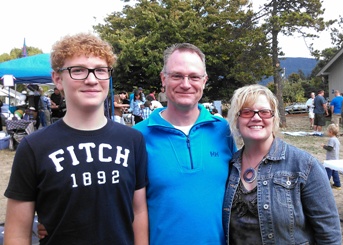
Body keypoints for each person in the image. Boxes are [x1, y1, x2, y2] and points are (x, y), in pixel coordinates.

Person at [4, 33, 149, 245]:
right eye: (78, 70)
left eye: (100, 70)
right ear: (57, 79)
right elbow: (17, 233)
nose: (91, 79)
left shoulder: (132, 140)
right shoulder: (34, 147)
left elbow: (138, 211)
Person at [133, 43, 237, 245]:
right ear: (164, 79)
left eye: (194, 77)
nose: (186, 84)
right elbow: (129, 207)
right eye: (177, 76)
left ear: (204, 81)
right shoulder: (136, 137)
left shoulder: (224, 130)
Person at [223, 84, 341, 244]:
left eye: (264, 112)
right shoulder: (228, 167)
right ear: (237, 120)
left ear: (274, 118)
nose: (256, 117)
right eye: (247, 111)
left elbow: (329, 235)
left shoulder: (305, 166)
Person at [322, 123, 341, 190]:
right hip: (335, 159)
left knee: (328, 172)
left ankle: (325, 185)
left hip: (330, 160)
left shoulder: (331, 140)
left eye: (328, 131)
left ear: (331, 132)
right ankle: (337, 184)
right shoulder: (336, 139)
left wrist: (324, 146)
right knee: (335, 172)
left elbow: (330, 148)